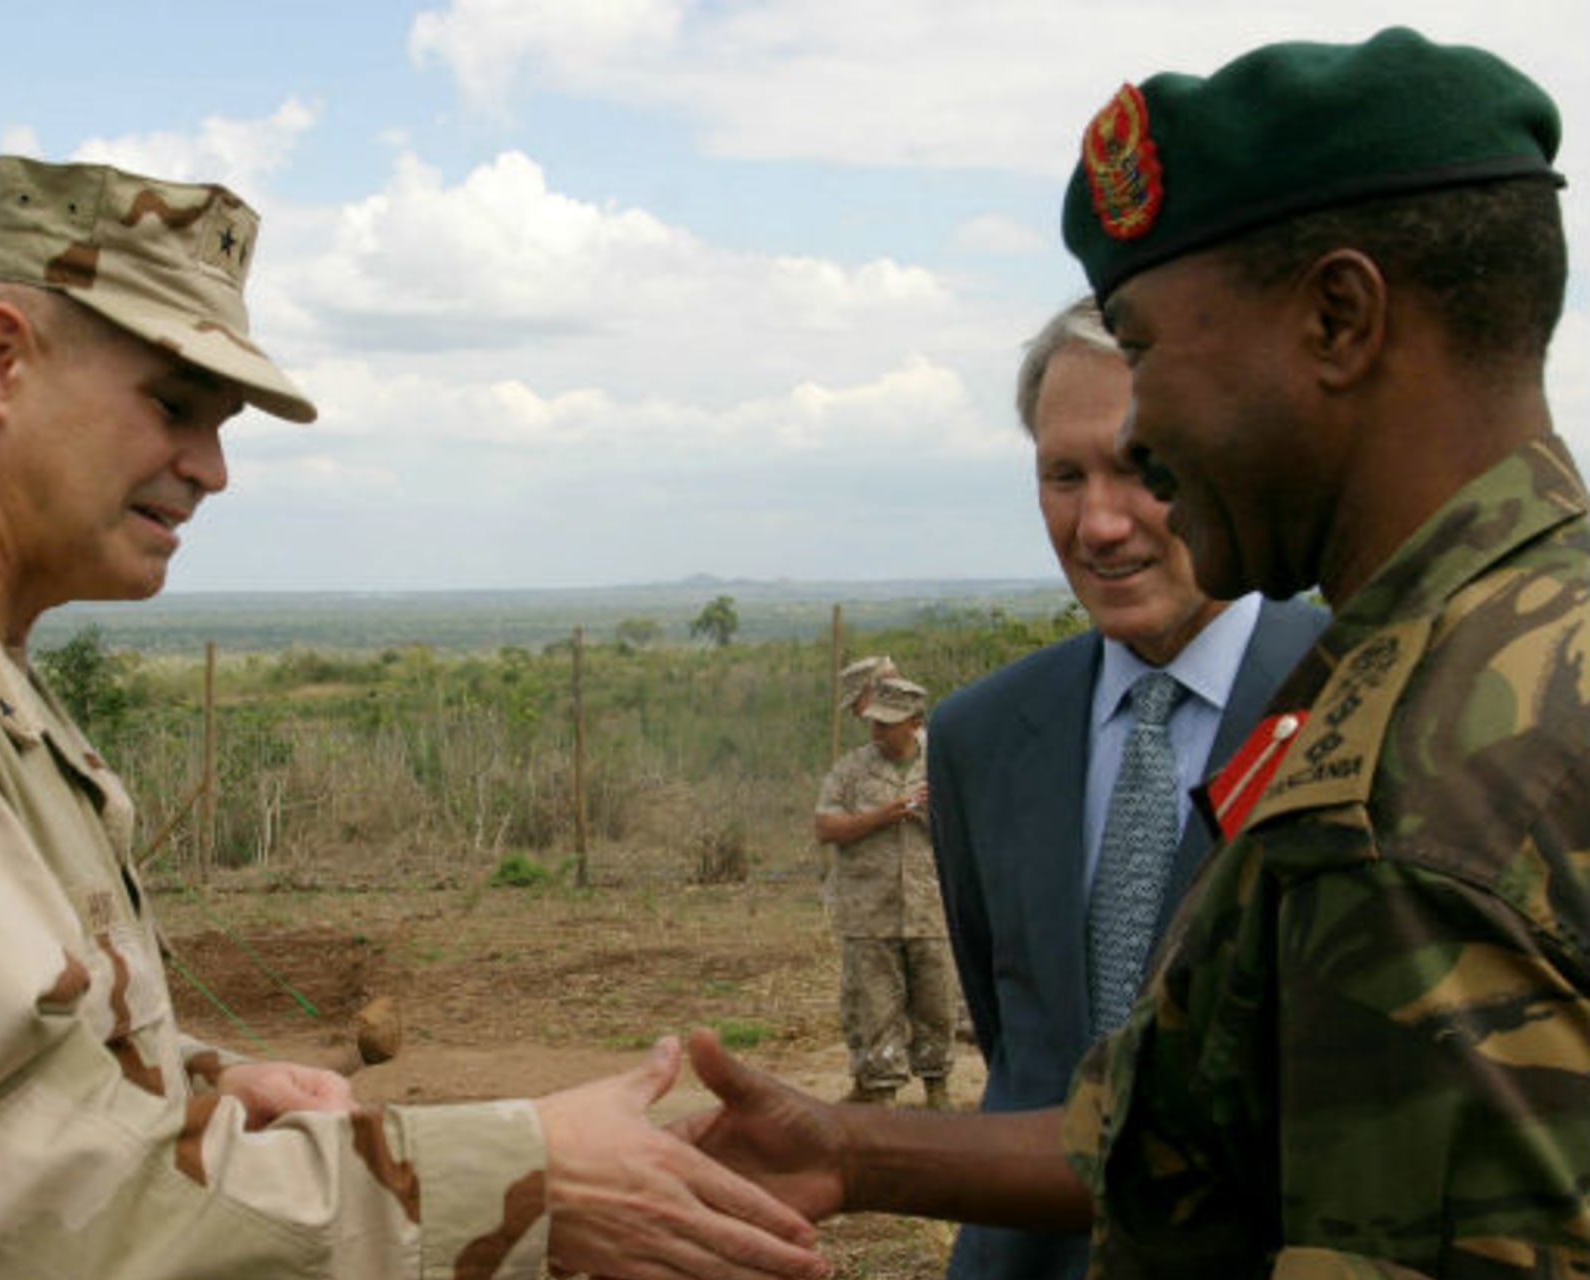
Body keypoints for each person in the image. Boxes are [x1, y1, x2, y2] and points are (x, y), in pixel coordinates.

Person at [0, 155, 825, 1280]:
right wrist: (526, 1178)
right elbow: (17, 1214)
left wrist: (200, 1077)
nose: (212, 468)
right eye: (175, 405)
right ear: (0, 360)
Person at [680, 27, 1590, 1277]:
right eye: (1065, 465)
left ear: (1339, 319)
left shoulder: (1415, 792)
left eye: (1150, 347)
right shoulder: (1494, 642)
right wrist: (854, 1148)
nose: (1141, 426)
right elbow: (1190, 1120)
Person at [927, 298, 1325, 1278]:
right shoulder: (980, 737)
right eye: (1063, 474)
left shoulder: (1362, 702)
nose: (1098, 523)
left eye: (1144, 466)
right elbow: (1020, 1033)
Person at [815, 674, 954, 1109]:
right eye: (874, 721)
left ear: (914, 722)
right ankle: (881, 1095)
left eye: (887, 722)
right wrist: (885, 814)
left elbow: (971, 832)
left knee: (937, 1003)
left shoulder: (944, 766)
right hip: (868, 909)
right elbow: (826, 826)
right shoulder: (851, 769)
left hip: (930, 908)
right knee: (873, 1006)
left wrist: (934, 812)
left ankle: (938, 1092)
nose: (877, 730)